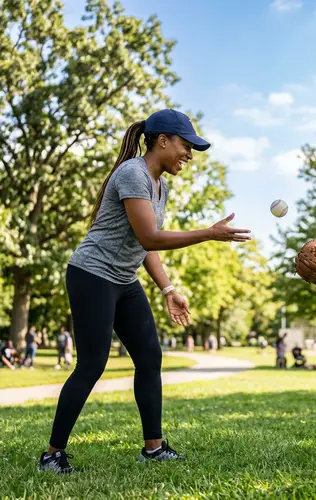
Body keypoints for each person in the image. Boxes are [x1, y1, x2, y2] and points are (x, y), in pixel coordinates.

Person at [38, 109, 251, 474]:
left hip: (123, 278)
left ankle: (153, 447)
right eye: (186, 146)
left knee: (150, 358)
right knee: (92, 365)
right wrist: (208, 233)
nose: (189, 154)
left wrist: (168, 288)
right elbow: (149, 236)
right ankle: (52, 454)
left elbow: (145, 245)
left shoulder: (159, 184)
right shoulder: (133, 174)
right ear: (163, 141)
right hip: (91, 274)